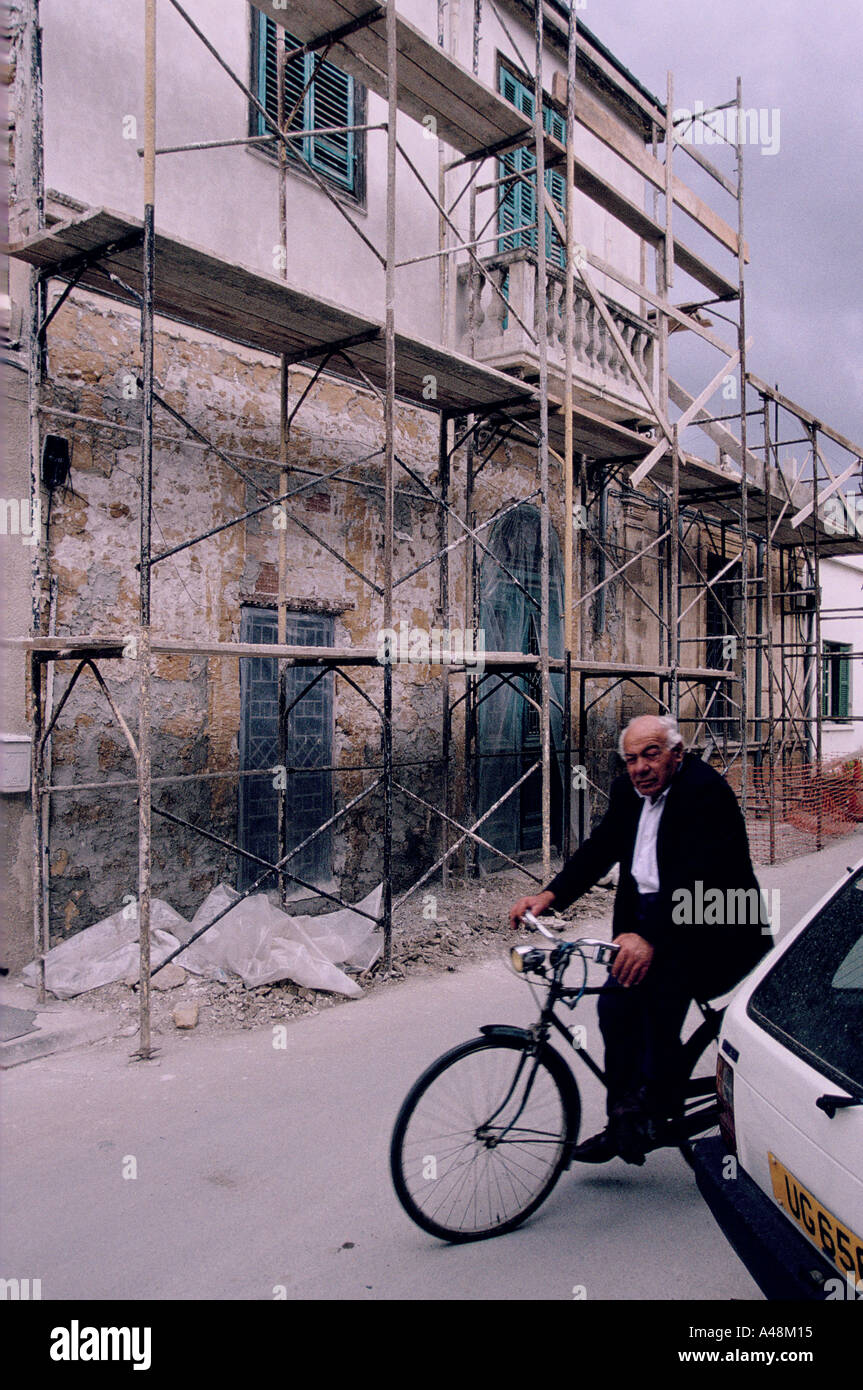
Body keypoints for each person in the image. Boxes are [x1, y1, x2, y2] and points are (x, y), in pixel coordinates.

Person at [509, 713, 770, 1165]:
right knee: (614, 1007)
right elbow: (601, 846)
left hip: (714, 921)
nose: (640, 768)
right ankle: (624, 1123)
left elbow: (701, 878)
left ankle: (655, 1108)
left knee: (658, 1003)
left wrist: (650, 938)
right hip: (652, 915)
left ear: (677, 754)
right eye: (631, 759)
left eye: (651, 755)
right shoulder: (629, 792)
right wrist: (550, 894)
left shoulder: (704, 793)